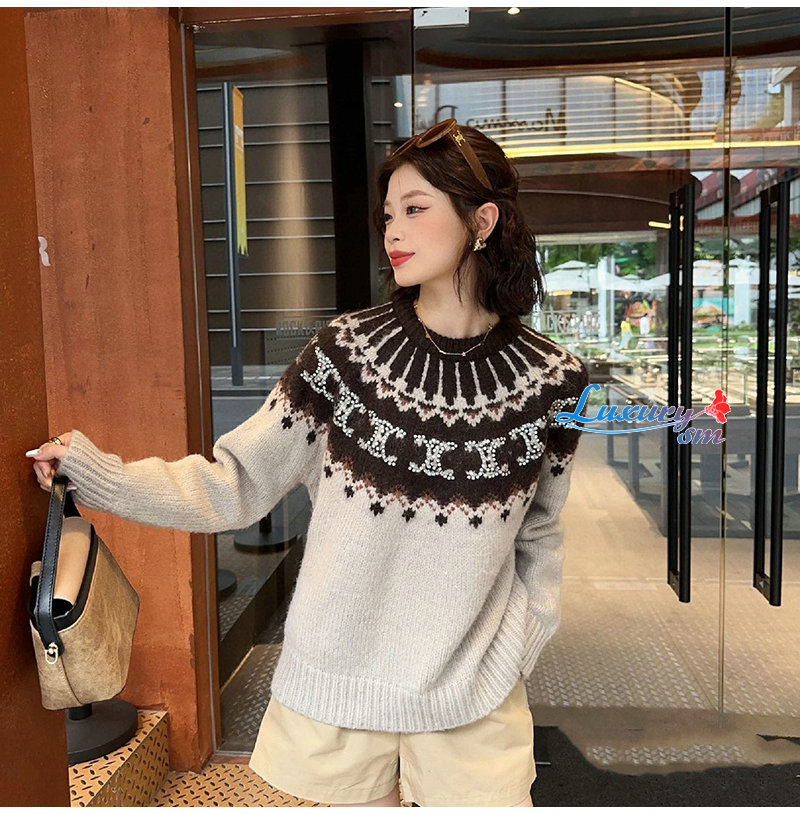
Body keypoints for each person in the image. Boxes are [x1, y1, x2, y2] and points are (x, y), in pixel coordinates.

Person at [28, 119, 588, 807]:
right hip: (341, 687)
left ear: (482, 220)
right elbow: (233, 483)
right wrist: (98, 475)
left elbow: (540, 532)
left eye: (415, 209)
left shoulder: (555, 381)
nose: (393, 231)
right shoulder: (344, 355)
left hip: (476, 695)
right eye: (389, 214)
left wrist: (521, 644)